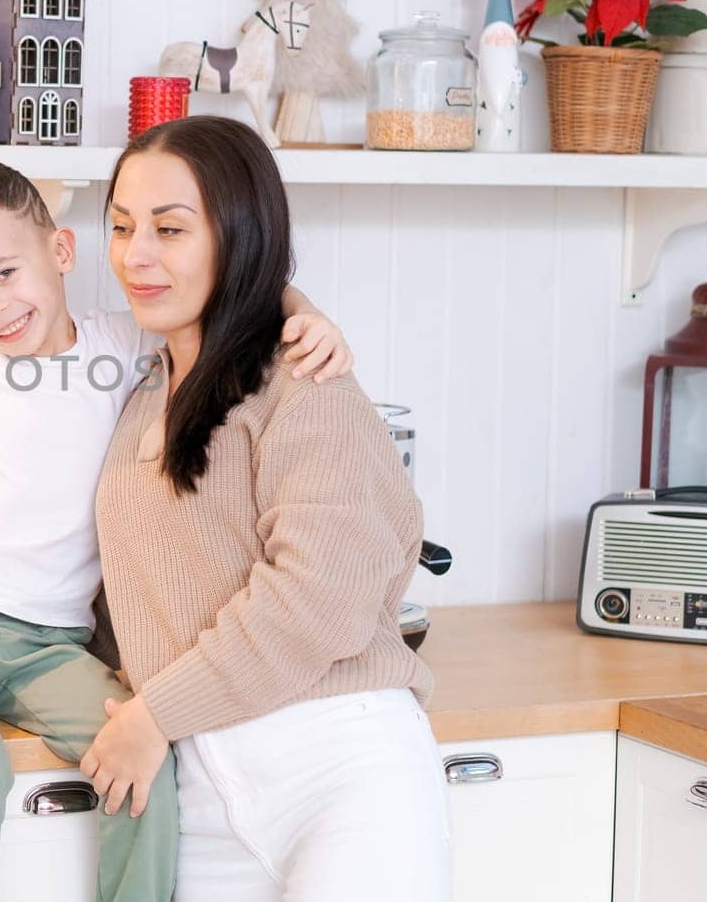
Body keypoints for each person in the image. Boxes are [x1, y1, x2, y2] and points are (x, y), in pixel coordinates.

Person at [0, 160, 351, 902]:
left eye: (5, 272)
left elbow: (232, 290)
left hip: (49, 643)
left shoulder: (119, 345)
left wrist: (306, 310)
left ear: (60, 252)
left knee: (141, 757)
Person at [79, 116, 450, 901]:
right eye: (120, 226)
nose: (135, 254)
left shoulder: (304, 378)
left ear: (236, 232)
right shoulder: (143, 386)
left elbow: (317, 599)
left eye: (170, 228)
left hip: (341, 771)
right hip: (203, 784)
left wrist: (154, 714)